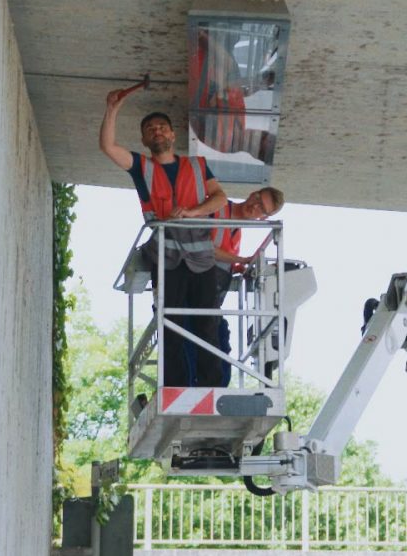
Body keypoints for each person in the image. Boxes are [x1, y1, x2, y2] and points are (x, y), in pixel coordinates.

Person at [100, 86, 228, 386]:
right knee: (170, 324)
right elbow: (108, 146)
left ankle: (210, 386)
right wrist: (112, 109)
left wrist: (195, 212)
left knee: (207, 323)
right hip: (167, 260)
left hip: (201, 258)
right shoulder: (140, 166)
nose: (156, 132)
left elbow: (220, 198)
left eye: (162, 127)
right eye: (150, 129)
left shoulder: (196, 165)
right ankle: (175, 387)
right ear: (145, 140)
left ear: (172, 136)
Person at [202, 187, 285, 385]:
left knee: (221, 341)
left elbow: (223, 258)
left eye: (261, 208)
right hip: (196, 292)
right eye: (257, 199)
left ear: (263, 218)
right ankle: (207, 389)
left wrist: (237, 265)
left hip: (211, 300)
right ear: (252, 193)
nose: (254, 206)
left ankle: (214, 391)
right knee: (208, 342)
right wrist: (242, 259)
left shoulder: (237, 232)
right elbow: (203, 246)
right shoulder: (218, 207)